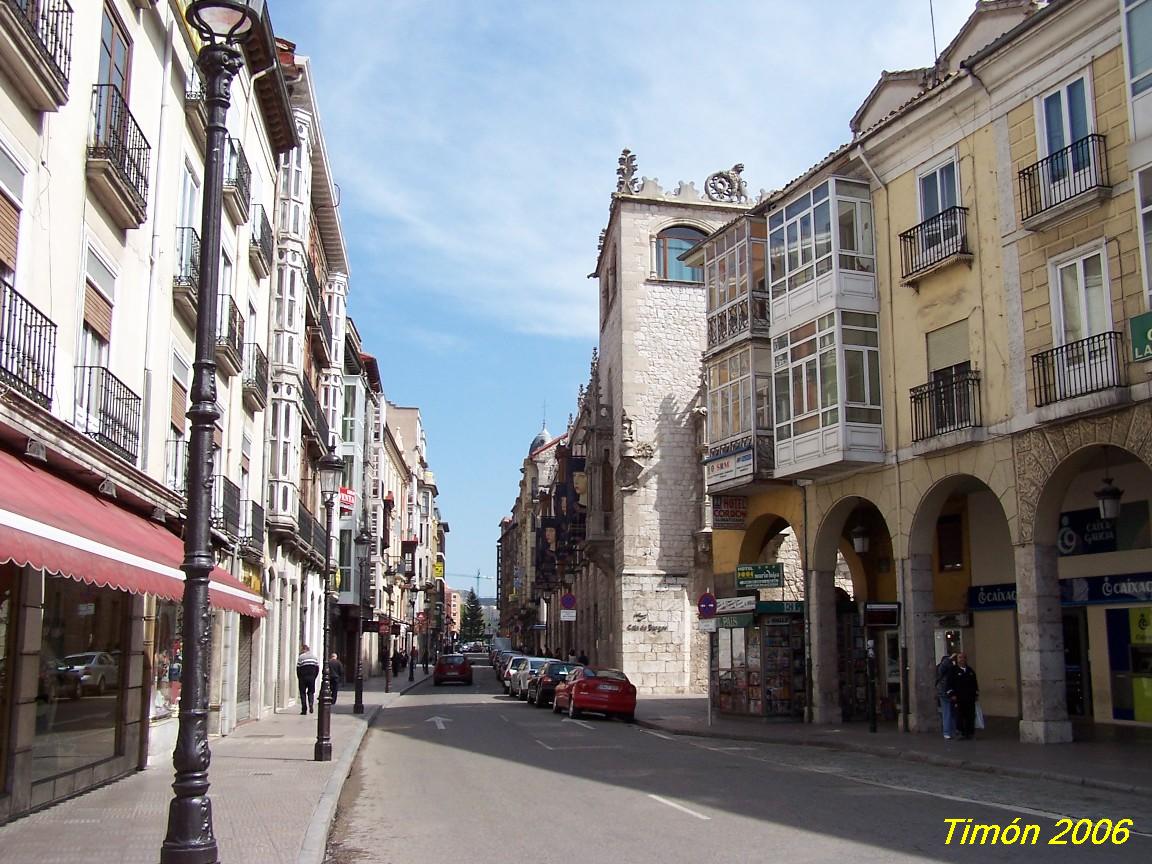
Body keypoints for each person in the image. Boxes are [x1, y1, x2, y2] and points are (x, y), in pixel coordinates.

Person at [946, 652, 980, 740]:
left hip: (970, 698)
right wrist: (951, 694)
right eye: (960, 658)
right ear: (957, 660)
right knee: (959, 715)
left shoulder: (970, 671)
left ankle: (970, 733)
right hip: (958, 697)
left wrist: (976, 694)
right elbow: (949, 684)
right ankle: (960, 732)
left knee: (970, 716)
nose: (962, 659)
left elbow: (974, 683)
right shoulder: (953, 671)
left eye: (964, 658)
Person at [936, 653, 956, 739]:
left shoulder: (950, 670)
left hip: (950, 692)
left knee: (952, 713)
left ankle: (952, 731)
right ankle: (947, 732)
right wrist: (949, 659)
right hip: (944, 693)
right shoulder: (942, 668)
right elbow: (942, 668)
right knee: (947, 712)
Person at [296, 645, 320, 714]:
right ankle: (311, 704)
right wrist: (314, 677)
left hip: (303, 678)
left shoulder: (301, 657)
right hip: (312, 678)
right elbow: (317, 669)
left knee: (302, 693)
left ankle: (304, 709)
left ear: (304, 650)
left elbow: (298, 669)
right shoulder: (314, 657)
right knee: (311, 692)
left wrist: (299, 677)